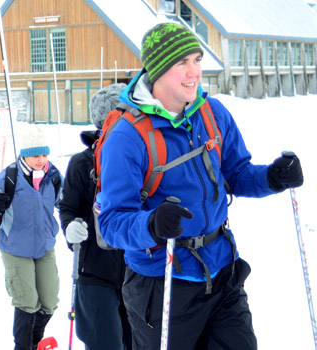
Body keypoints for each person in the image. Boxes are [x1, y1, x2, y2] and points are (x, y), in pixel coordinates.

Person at [96, 22, 304, 349]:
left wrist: (271, 178)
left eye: (197, 59)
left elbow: (235, 173)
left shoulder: (212, 113)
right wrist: (151, 224)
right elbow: (111, 222)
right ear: (159, 69)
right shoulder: (127, 138)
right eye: (183, 62)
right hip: (161, 282)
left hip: (222, 271)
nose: (194, 71)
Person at [58, 83, 132, 350]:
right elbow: (68, 208)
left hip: (137, 272)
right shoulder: (82, 163)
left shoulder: (141, 158)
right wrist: (70, 228)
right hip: (95, 271)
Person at [0, 125, 62, 350]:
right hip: (15, 247)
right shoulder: (9, 177)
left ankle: (33, 342)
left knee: (49, 302)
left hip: (44, 246)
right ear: (24, 153)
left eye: (44, 154)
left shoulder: (53, 176)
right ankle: (22, 346)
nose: (41, 159)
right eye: (36, 155)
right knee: (27, 302)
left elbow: (65, 203)